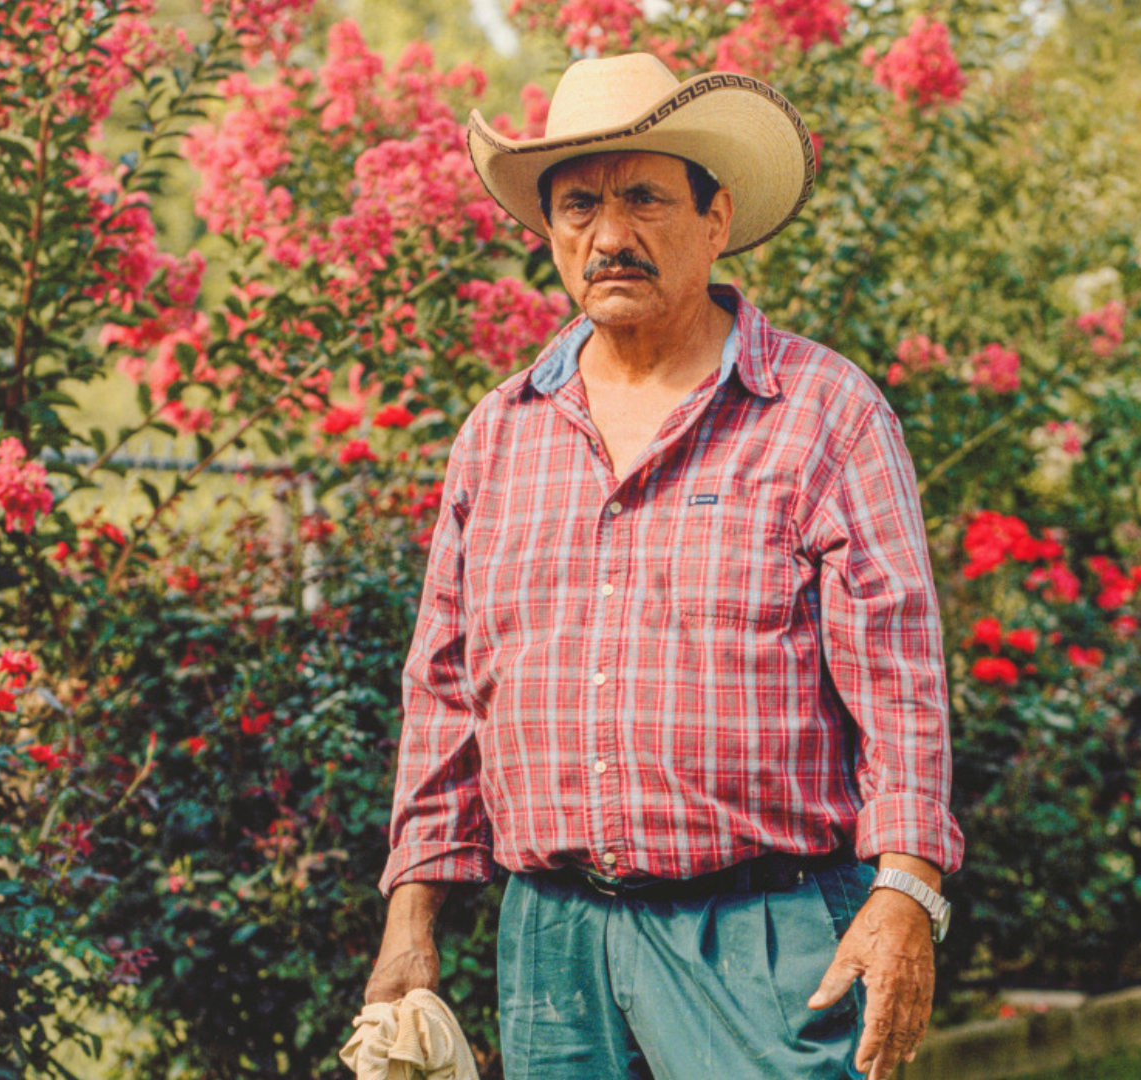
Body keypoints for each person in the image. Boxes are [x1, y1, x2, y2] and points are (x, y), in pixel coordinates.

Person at [365, 52, 964, 1080]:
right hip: (552, 943)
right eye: (579, 206)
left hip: (764, 932)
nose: (609, 237)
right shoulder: (500, 433)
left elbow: (900, 681)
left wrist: (906, 889)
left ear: (716, 216)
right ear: (549, 232)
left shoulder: (825, 412)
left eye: (644, 198)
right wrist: (411, 914)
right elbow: (443, 688)